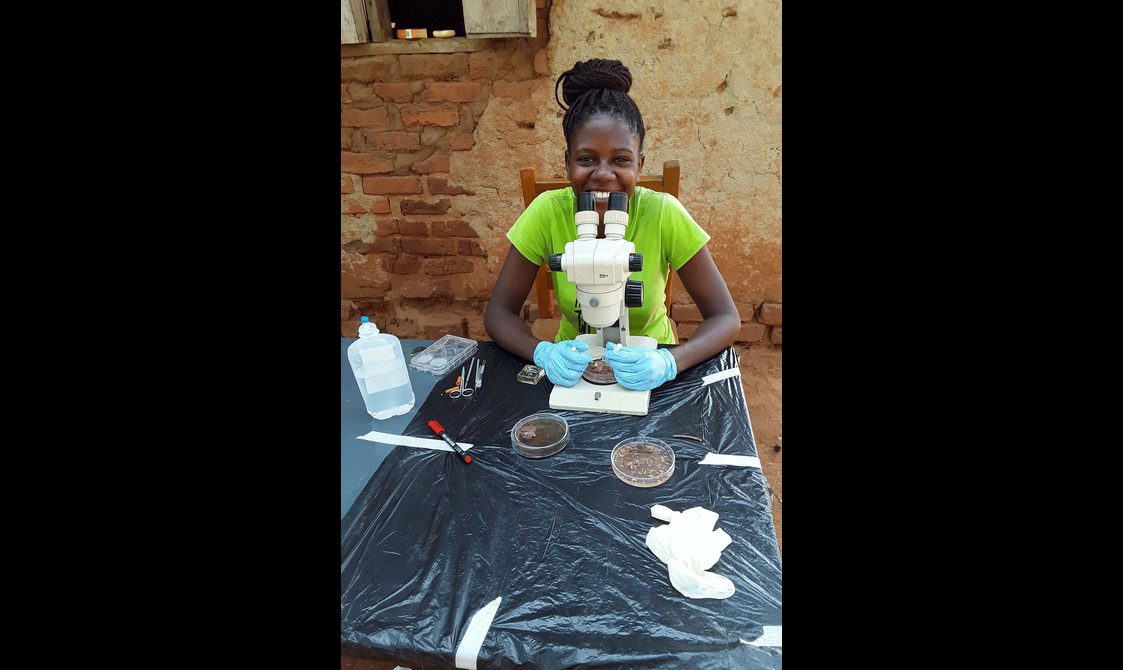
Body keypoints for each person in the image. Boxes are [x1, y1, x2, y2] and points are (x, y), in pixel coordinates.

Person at [484, 59, 740, 391]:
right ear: (567, 162)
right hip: (573, 364)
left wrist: (669, 361)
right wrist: (543, 353)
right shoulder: (546, 213)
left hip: (647, 361)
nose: (603, 174)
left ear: (639, 164)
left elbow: (725, 318)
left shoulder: (663, 213)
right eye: (587, 159)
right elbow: (499, 313)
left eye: (620, 160)